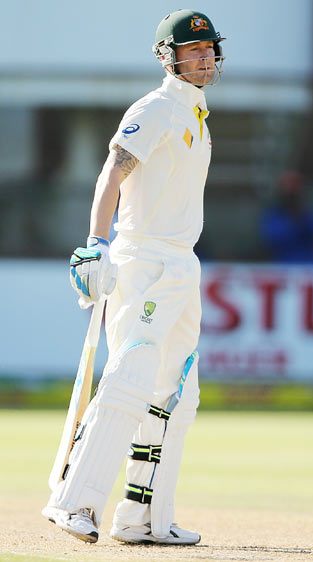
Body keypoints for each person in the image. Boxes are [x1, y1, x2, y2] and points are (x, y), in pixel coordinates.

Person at [42, 9, 225, 545]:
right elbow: (113, 171)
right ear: (168, 57)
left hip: (181, 262)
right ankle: (73, 501)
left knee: (177, 391)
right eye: (192, 50)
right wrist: (97, 242)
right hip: (143, 258)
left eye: (209, 48)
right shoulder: (156, 107)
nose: (203, 57)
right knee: (131, 373)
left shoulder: (196, 113)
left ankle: (142, 516)